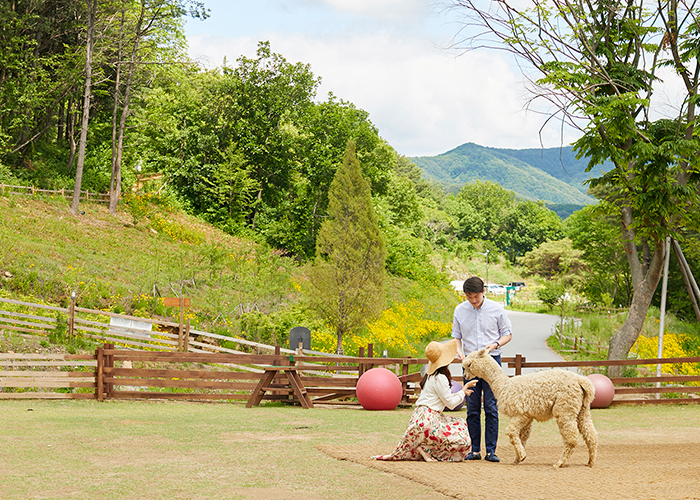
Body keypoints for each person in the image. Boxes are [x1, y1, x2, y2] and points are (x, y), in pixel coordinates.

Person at [372, 339, 477, 462]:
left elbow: (446, 399)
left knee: (453, 428)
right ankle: (425, 449)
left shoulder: (429, 376)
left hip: (418, 416)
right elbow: (451, 404)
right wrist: (463, 390)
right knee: (462, 437)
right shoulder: (440, 377)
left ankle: (422, 448)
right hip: (430, 419)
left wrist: (461, 392)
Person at [452, 276, 512, 463]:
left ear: (483, 292)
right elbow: (456, 336)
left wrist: (494, 345)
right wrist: (459, 351)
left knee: (491, 407)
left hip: (491, 360)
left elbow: (507, 334)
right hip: (470, 363)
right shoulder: (460, 310)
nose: (473, 300)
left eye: (476, 296)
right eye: (469, 297)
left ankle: (491, 450)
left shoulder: (496, 309)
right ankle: (475, 449)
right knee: (472, 407)